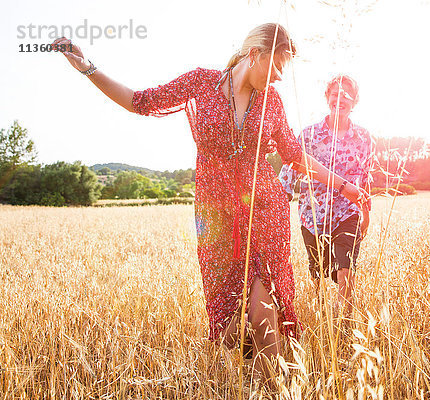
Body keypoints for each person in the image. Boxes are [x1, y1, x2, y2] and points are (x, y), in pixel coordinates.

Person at [52, 24, 367, 382]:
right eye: (277, 66)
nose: (279, 77)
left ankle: (278, 387)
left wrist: (344, 186)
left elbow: (294, 155)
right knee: (231, 327)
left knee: (264, 315)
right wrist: (88, 68)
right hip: (214, 217)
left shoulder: (271, 102)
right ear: (255, 54)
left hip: (264, 213)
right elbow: (139, 101)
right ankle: (258, 376)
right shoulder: (201, 83)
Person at [279, 74, 374, 322]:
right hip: (314, 215)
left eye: (346, 95)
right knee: (318, 271)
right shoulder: (309, 135)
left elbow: (365, 178)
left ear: (355, 102)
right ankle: (320, 317)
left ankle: (343, 323)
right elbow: (291, 170)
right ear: (327, 98)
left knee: (346, 268)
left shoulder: (364, 138)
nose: (339, 99)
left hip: (348, 213)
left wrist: (365, 216)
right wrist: (277, 201)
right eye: (335, 94)